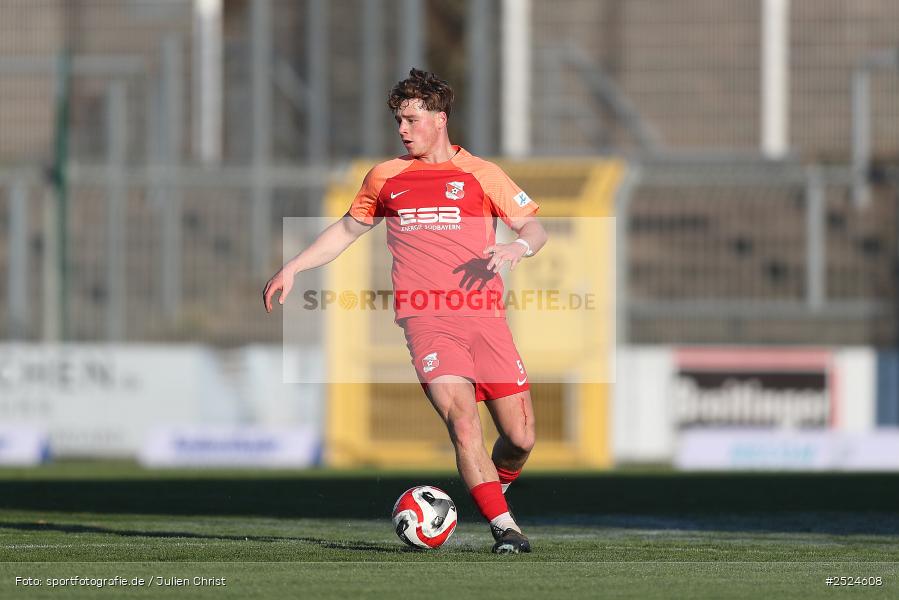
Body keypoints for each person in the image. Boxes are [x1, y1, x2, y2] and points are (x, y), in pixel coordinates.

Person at [263, 68, 547, 554]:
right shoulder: (386, 177)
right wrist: (295, 266)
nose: (402, 129)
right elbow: (347, 230)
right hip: (426, 320)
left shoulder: (482, 174)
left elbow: (535, 230)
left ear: (440, 119)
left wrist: (517, 247)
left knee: (520, 438)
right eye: (398, 119)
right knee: (463, 421)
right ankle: (506, 529)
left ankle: (491, 490)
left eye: (412, 119)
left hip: (485, 318)